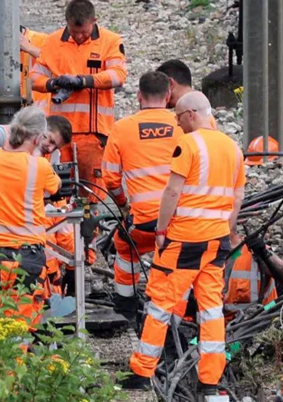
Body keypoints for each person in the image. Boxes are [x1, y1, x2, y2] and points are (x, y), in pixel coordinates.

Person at [124, 91, 245, 395]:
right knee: (211, 309)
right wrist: (224, 229)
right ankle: (210, 379)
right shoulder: (233, 148)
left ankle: (142, 371)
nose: (177, 126)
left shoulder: (189, 144)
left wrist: (161, 230)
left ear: (190, 114)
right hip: (216, 240)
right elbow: (238, 197)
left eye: (177, 118)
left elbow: (172, 192)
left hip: (184, 240)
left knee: (161, 305)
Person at [0, 106, 61, 327]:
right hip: (27, 259)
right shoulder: (40, 166)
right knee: (19, 330)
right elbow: (56, 187)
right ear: (38, 138)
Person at [101, 71, 184, 319]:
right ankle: (178, 310)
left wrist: (124, 206)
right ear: (168, 95)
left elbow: (110, 179)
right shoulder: (182, 126)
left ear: (138, 96)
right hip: (178, 222)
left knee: (124, 247)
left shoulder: (122, 128)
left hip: (143, 222)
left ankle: (126, 307)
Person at [28, 0, 127, 205]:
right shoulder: (53, 42)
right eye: (74, 32)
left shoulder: (110, 41)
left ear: (94, 22)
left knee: (92, 194)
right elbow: (34, 78)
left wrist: (84, 81)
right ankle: (58, 235)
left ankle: (91, 235)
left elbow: (118, 76)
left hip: (93, 133)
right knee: (56, 191)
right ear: (66, 23)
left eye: (83, 31)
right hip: (59, 134)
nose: (79, 36)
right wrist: (52, 83)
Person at [224, 232, 283, 320]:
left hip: (265, 315)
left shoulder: (252, 250)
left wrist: (264, 254)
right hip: (224, 326)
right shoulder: (206, 259)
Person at [0, 115, 73, 159]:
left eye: (55, 147)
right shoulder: (9, 132)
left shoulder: (52, 156)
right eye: (51, 140)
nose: (50, 149)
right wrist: (7, 161)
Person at [156, 59, 218, 129]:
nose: (159, 96)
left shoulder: (185, 120)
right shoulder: (207, 117)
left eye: (160, 88)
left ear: (170, 83)